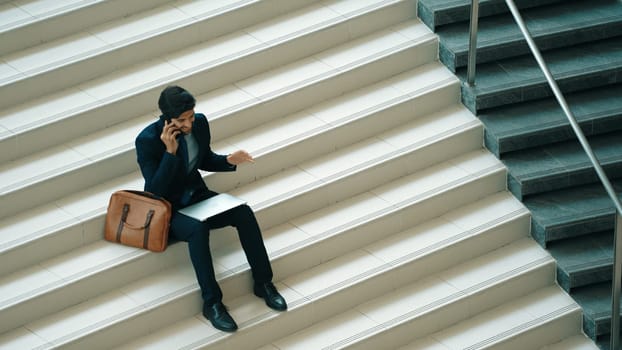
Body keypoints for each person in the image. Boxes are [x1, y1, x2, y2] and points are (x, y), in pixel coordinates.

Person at [135, 85, 287, 332]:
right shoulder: (147, 141)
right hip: (169, 208)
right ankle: (212, 303)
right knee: (198, 228)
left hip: (197, 195)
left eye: (191, 117)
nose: (188, 124)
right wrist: (170, 153)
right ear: (167, 120)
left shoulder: (201, 123)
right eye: (182, 120)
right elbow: (155, 191)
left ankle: (264, 283)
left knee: (243, 212)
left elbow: (203, 159)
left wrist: (228, 160)